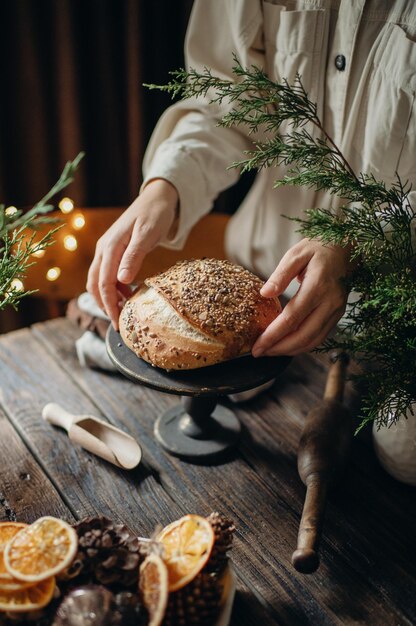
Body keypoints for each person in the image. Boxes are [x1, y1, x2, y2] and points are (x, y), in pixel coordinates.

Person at [87, 0, 416, 358]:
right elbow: (226, 103)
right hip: (258, 290)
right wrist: (165, 187)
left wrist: (354, 243)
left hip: (395, 336)